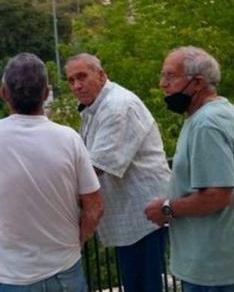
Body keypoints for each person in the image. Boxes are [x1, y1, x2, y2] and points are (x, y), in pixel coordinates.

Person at [0, 53, 104, 291]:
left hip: (12, 277)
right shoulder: (69, 138)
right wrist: (75, 244)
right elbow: (95, 207)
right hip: (65, 272)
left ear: (4, 93)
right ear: (46, 93)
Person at [144, 47, 234, 292]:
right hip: (224, 264)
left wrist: (167, 208)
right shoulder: (220, 114)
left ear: (197, 83)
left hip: (215, 270)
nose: (163, 84)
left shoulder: (207, 124)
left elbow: (218, 195)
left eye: (170, 77)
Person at [65, 54, 170, 292]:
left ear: (101, 75)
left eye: (82, 77)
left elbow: (95, 167)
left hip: (144, 217)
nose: (76, 86)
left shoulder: (117, 107)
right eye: (71, 80)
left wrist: (52, 192)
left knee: (145, 285)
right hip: (131, 218)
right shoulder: (97, 107)